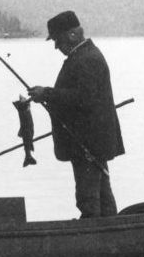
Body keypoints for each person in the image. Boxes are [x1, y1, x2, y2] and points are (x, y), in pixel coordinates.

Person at [28, 11, 124, 218]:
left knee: (88, 197)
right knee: (102, 194)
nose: (56, 46)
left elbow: (84, 98)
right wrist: (48, 95)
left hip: (88, 143)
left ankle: (94, 239)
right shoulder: (86, 55)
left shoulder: (86, 59)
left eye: (57, 40)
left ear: (72, 35)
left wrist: (47, 93)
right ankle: (111, 232)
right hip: (93, 141)